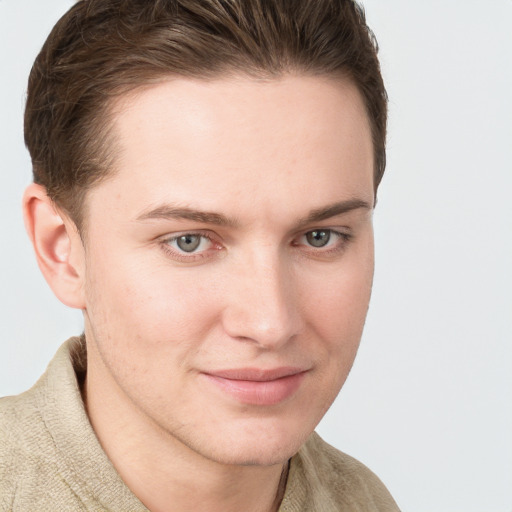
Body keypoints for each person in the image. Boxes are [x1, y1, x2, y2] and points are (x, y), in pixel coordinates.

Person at [0, 0, 399, 510]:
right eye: (189, 241)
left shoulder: (362, 501)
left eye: (320, 236)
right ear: (61, 249)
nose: (271, 323)